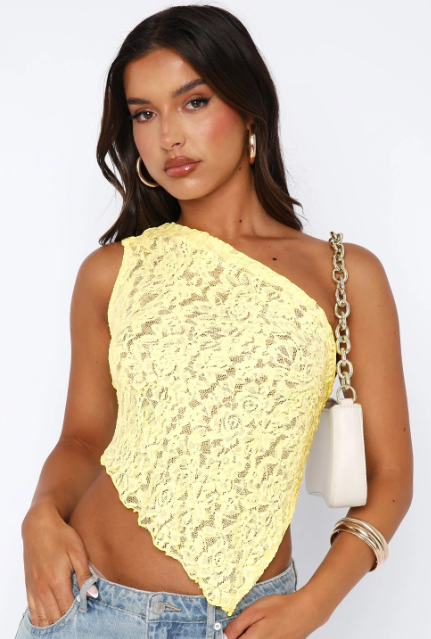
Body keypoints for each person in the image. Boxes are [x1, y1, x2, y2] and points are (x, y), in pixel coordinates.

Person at [15, 5, 413, 639]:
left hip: (253, 620)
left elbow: (391, 476)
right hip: (91, 608)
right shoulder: (111, 273)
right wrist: (40, 514)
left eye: (193, 102)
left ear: (249, 109)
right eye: (144, 114)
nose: (168, 136)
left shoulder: (345, 273)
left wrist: (314, 604)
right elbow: (84, 439)